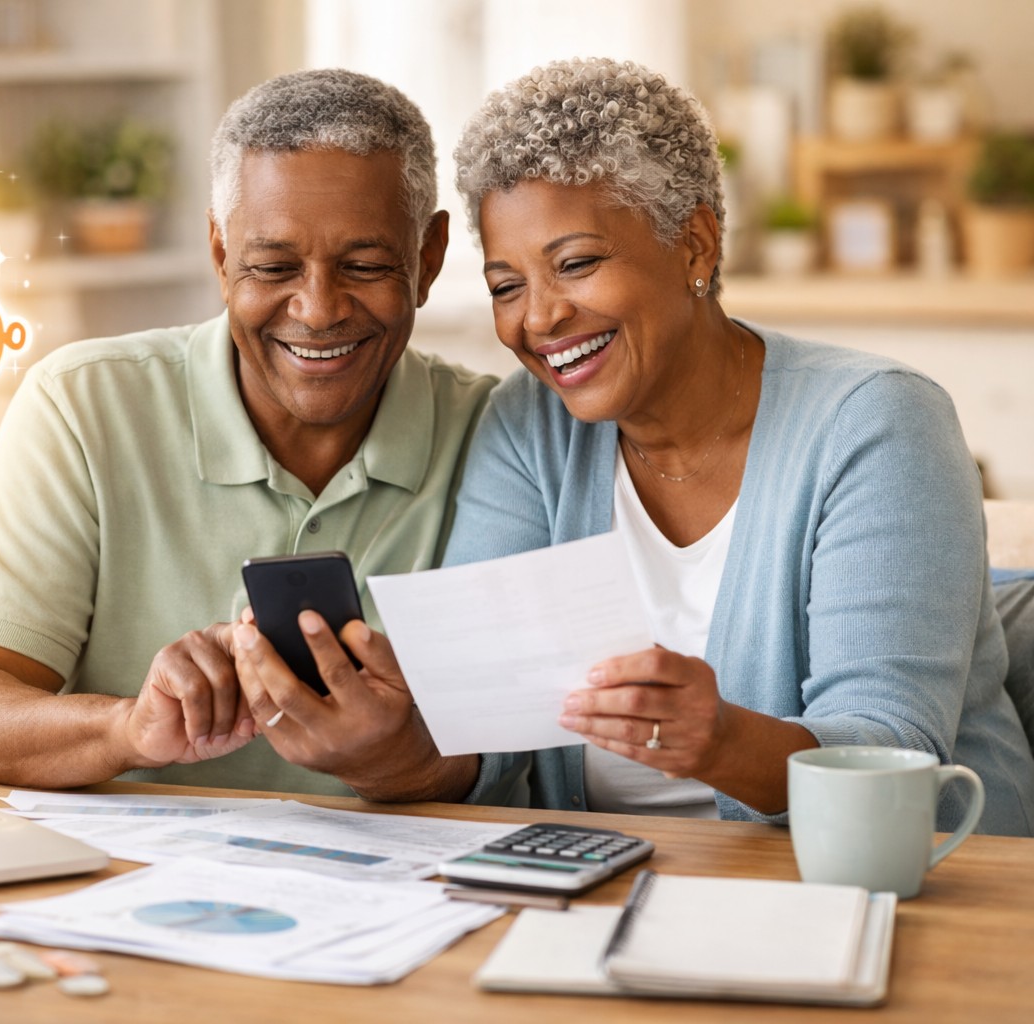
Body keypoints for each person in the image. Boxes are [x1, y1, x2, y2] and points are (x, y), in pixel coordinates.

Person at [233, 57, 1034, 833]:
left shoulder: (877, 422)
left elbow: (894, 751)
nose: (539, 319)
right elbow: (486, 740)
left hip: (914, 888)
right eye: (507, 285)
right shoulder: (527, 427)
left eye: (576, 264)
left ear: (695, 245)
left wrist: (718, 741)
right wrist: (389, 741)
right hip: (607, 884)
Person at [0, 69, 495, 798]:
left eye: (366, 265)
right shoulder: (85, 406)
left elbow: (533, 762)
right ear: (221, 256)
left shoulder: (497, 435)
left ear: (430, 258)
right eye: (273, 266)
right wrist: (127, 728)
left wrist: (395, 757)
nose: (317, 310)